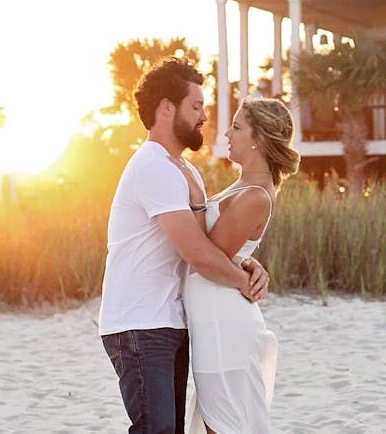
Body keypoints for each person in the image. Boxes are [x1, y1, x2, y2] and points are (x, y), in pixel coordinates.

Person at [99, 58, 270, 434]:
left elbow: (212, 245)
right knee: (156, 429)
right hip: (139, 323)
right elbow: (197, 254)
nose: (204, 117)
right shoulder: (154, 168)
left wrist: (246, 264)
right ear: (166, 108)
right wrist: (244, 283)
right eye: (196, 106)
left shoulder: (184, 169)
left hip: (169, 321)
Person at [177, 96, 299, 434]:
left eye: (237, 127)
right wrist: (246, 260)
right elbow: (226, 251)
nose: (226, 134)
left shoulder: (256, 195)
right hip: (213, 321)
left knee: (222, 425)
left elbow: (206, 256)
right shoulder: (244, 186)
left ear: (258, 139)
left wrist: (199, 202)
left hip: (224, 327)